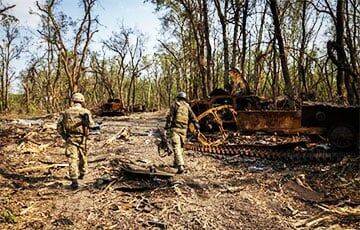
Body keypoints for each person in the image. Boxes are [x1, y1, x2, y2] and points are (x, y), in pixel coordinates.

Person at [57, 93, 94, 189]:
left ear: (73, 101)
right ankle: (82, 172)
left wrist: (64, 136)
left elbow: (59, 127)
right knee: (83, 155)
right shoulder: (85, 112)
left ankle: (74, 180)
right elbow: (91, 125)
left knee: (72, 159)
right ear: (82, 101)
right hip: (82, 138)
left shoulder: (65, 112)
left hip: (70, 137)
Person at [165, 92, 200, 174]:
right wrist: (197, 126)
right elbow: (193, 117)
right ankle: (176, 163)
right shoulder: (187, 106)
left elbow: (170, 117)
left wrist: (167, 127)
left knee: (176, 146)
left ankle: (180, 165)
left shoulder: (174, 105)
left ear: (178, 98)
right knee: (180, 146)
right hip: (184, 130)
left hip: (175, 129)